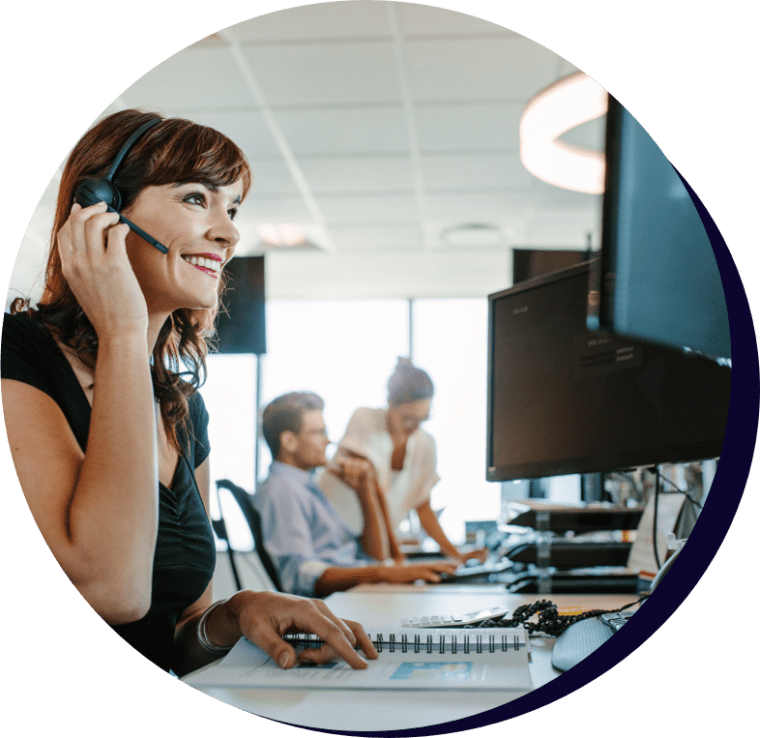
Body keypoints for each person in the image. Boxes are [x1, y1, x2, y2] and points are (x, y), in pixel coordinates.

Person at [0, 109, 377, 677]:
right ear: (100, 208)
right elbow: (113, 589)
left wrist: (236, 612)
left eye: (233, 208)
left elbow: (179, 632)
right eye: (197, 198)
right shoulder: (16, 356)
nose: (228, 232)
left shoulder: (182, 406)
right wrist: (124, 334)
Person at [254, 392, 458, 597]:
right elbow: (301, 575)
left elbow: (376, 556)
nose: (328, 441)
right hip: (338, 604)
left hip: (360, 594)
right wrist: (383, 573)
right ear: (289, 441)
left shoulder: (308, 486)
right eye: (318, 432)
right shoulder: (282, 489)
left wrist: (365, 491)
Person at [318, 358, 487, 564]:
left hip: (373, 548)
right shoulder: (365, 419)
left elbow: (423, 507)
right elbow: (372, 492)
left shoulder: (425, 444)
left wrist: (456, 555)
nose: (414, 427)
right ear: (390, 404)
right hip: (332, 539)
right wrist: (395, 556)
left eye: (422, 419)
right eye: (408, 419)